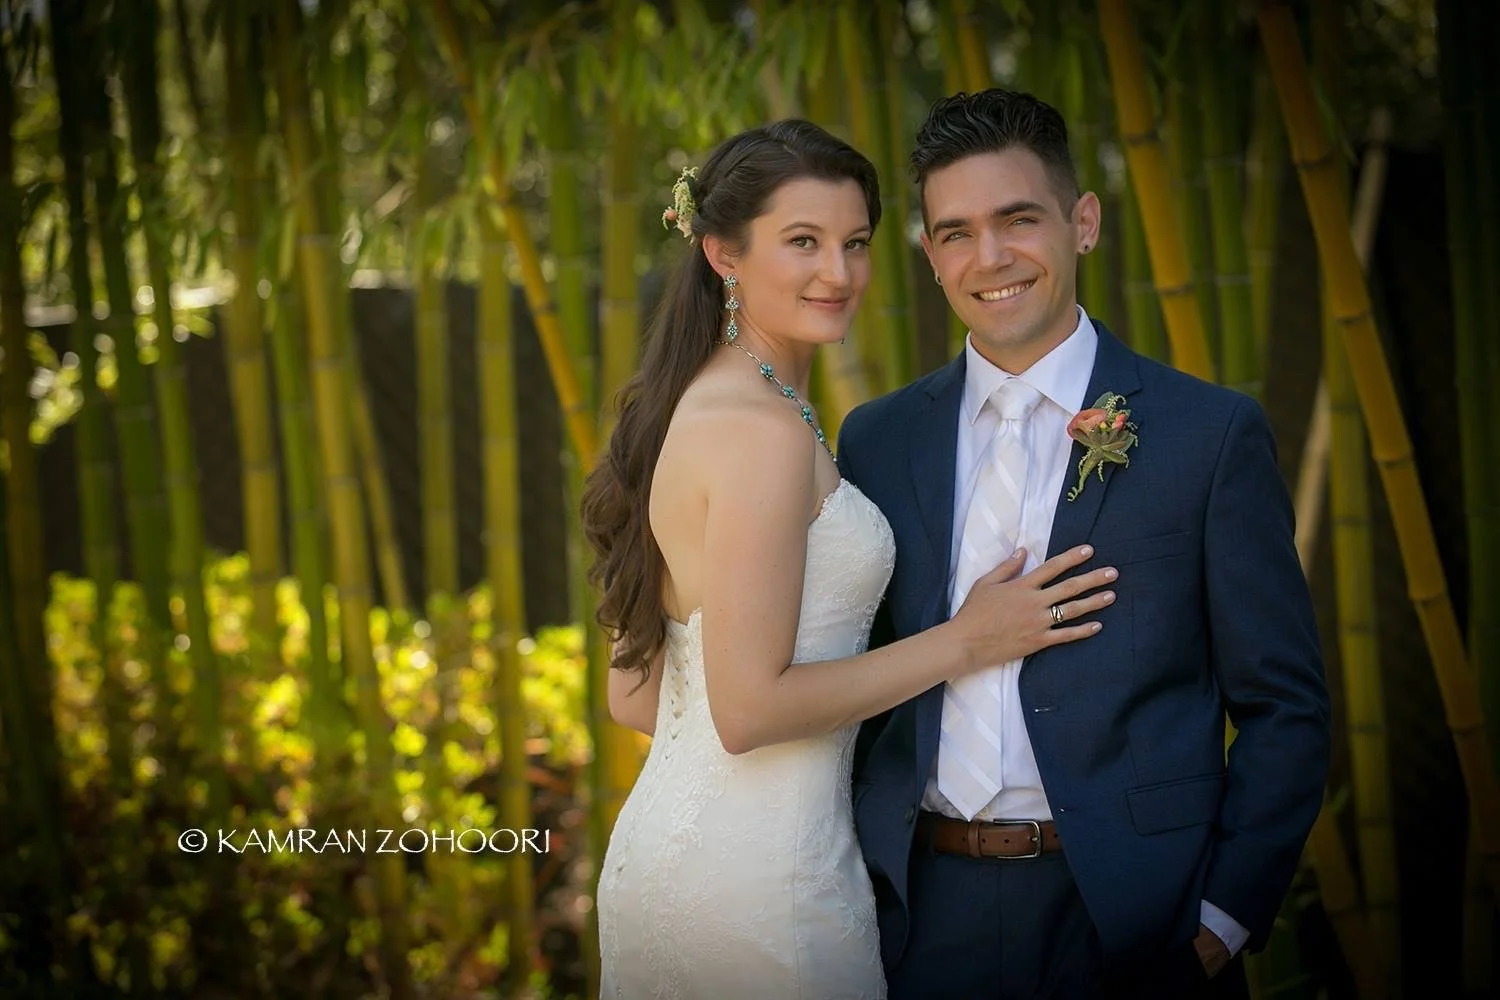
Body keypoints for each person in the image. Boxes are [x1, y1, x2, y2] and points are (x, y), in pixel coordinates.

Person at [580, 119, 1119, 1000]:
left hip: (677, 855)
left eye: (855, 243)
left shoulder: (706, 403)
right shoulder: (760, 436)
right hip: (766, 887)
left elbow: (638, 697)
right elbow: (746, 711)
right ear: (723, 252)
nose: (838, 273)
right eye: (803, 243)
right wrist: (967, 642)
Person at [837, 89, 1331, 999]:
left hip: (1135, 918)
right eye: (955, 232)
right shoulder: (875, 439)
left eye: (1018, 219)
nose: (990, 257)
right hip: (919, 916)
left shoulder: (1207, 435)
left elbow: (1286, 705)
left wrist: (1220, 924)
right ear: (931, 255)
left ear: (1084, 222)